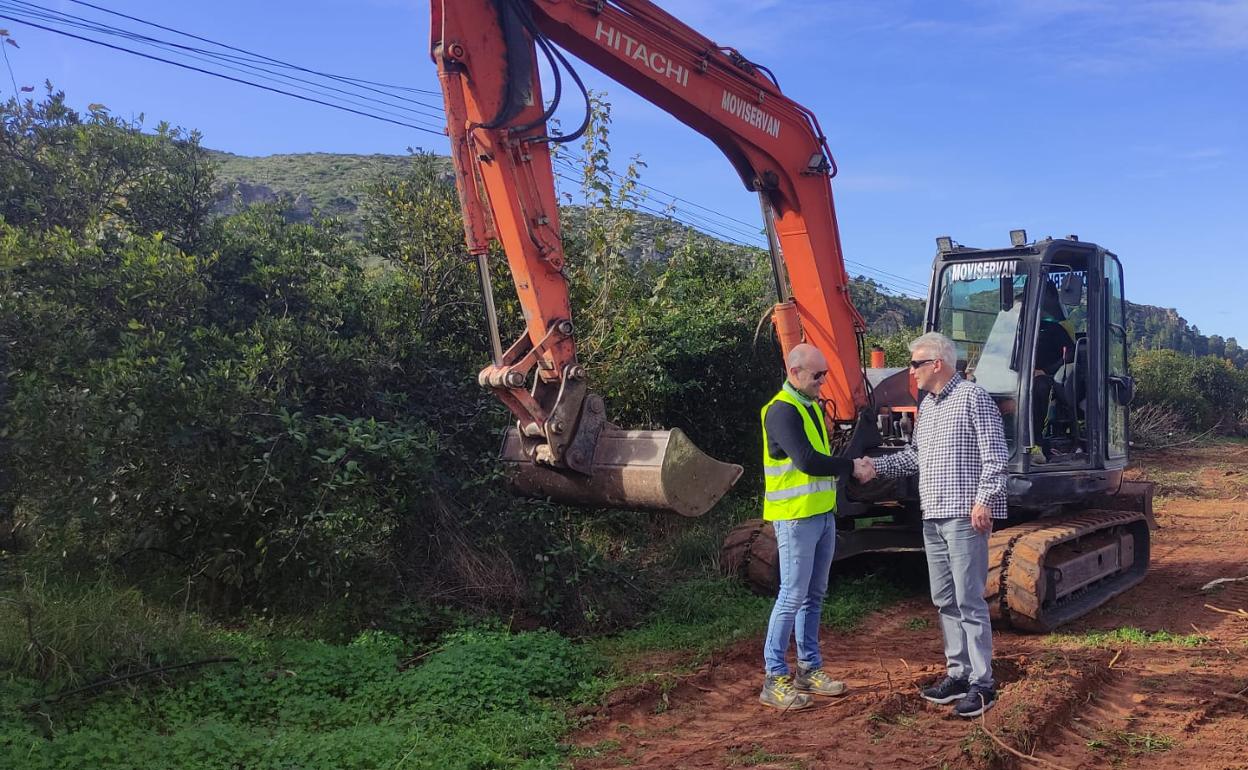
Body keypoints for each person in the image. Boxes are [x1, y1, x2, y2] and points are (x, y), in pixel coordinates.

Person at [854, 332, 1008, 718]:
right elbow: (914, 458)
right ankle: (958, 674)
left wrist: (983, 501)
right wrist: (875, 468)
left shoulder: (974, 398)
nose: (912, 371)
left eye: (916, 364)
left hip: (963, 516)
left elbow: (996, 457)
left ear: (937, 364)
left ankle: (982, 683)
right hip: (933, 516)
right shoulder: (930, 407)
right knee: (944, 600)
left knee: (969, 600)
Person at [758, 343, 855, 710]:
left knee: (814, 596)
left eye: (825, 374)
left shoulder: (810, 406)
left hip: (821, 515)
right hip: (796, 518)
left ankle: (809, 669)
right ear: (795, 372)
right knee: (791, 596)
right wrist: (851, 467)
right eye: (818, 375)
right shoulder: (782, 411)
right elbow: (809, 461)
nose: (823, 382)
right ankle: (774, 677)